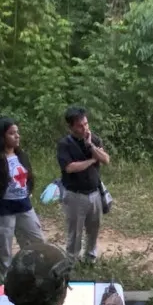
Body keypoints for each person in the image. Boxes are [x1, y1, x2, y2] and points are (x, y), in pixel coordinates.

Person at [0, 117, 45, 280]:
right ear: (1, 137)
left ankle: (31, 277)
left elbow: (27, 180)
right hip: (3, 212)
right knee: (4, 252)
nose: (17, 136)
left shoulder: (21, 155)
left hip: (24, 208)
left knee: (37, 242)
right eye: (12, 133)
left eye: (17, 132)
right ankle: (6, 286)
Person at [55, 106, 110, 264]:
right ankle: (71, 261)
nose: (85, 128)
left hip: (94, 193)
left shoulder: (94, 139)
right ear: (71, 127)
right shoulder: (64, 144)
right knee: (75, 232)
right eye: (80, 125)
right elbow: (70, 167)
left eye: (86, 124)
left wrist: (91, 145)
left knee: (94, 229)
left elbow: (106, 160)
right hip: (75, 195)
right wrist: (92, 160)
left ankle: (90, 259)